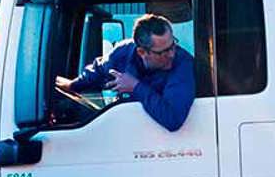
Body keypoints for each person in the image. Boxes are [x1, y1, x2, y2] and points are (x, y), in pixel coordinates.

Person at [64, 14, 195, 132]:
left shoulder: (183, 64)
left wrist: (136, 87)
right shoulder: (123, 53)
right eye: (163, 52)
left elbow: (172, 118)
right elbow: (98, 70)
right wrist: (72, 86)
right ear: (142, 52)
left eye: (173, 46)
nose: (172, 54)